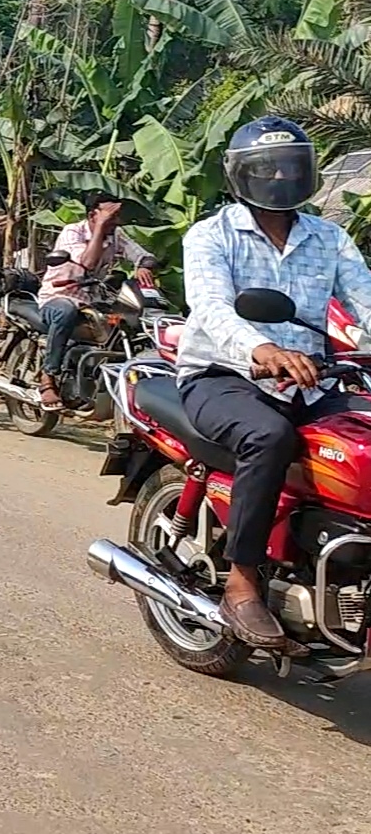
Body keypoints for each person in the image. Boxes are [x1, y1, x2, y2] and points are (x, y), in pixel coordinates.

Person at [175, 116, 371, 648]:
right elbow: (212, 306)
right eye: (268, 169)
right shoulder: (211, 235)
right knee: (268, 436)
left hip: (312, 382)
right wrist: (261, 349)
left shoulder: (330, 237)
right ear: (242, 175)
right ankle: (241, 583)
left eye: (291, 168)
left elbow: (365, 300)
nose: (281, 178)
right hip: (223, 375)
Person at [37, 192, 160, 408]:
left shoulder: (116, 234)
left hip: (93, 298)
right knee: (66, 312)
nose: (116, 220)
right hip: (58, 296)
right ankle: (48, 378)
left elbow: (143, 254)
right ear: (93, 214)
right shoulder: (72, 232)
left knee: (123, 324)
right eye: (111, 215)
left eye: (117, 215)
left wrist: (143, 265)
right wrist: (101, 228)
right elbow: (88, 263)